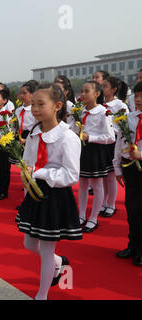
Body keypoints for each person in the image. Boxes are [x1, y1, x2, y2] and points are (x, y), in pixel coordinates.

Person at [16, 83, 82, 300]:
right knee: (29, 243)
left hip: (54, 195)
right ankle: (58, 262)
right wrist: (26, 175)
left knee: (45, 250)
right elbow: (28, 160)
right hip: (34, 192)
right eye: (33, 104)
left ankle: (42, 295)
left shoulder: (68, 137)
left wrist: (40, 173)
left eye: (40, 104)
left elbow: (71, 175)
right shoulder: (35, 132)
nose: (34, 109)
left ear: (57, 106)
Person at [77, 81, 115, 233]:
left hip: (96, 151)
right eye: (82, 91)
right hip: (82, 150)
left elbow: (110, 137)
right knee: (82, 184)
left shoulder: (103, 112)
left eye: (87, 91)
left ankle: (93, 218)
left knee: (97, 185)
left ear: (97, 94)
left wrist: (89, 137)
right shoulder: (80, 110)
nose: (83, 94)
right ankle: (81, 215)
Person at [113, 81, 142, 266]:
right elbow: (119, 144)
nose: (138, 100)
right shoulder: (128, 118)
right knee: (132, 209)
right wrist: (117, 167)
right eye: (136, 96)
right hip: (131, 167)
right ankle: (133, 245)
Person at [100, 77, 130, 217]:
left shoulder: (120, 106)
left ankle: (111, 204)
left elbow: (124, 127)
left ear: (114, 89)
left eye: (105, 86)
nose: (102, 89)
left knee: (110, 176)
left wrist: (111, 129)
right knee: (103, 176)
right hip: (101, 143)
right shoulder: (100, 104)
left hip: (113, 143)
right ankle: (103, 203)